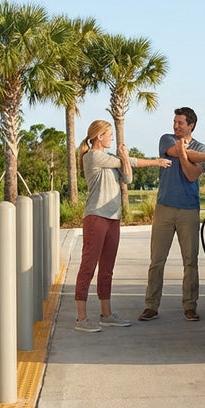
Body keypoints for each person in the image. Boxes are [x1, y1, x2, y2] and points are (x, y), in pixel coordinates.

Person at [74, 119, 171, 332]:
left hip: (113, 218)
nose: (112, 138)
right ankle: (81, 319)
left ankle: (106, 315)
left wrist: (125, 158)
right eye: (109, 135)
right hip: (96, 216)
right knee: (88, 266)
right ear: (99, 136)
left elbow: (127, 178)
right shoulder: (93, 156)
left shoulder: (112, 160)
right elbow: (128, 163)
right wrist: (154, 162)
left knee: (107, 269)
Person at [140, 107, 205, 322]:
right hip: (164, 207)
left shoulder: (200, 148)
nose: (176, 126)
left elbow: (191, 175)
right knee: (157, 260)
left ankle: (190, 306)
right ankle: (151, 306)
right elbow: (178, 152)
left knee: (190, 261)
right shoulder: (166, 139)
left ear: (191, 125)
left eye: (180, 122)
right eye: (175, 122)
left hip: (189, 209)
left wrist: (183, 154)